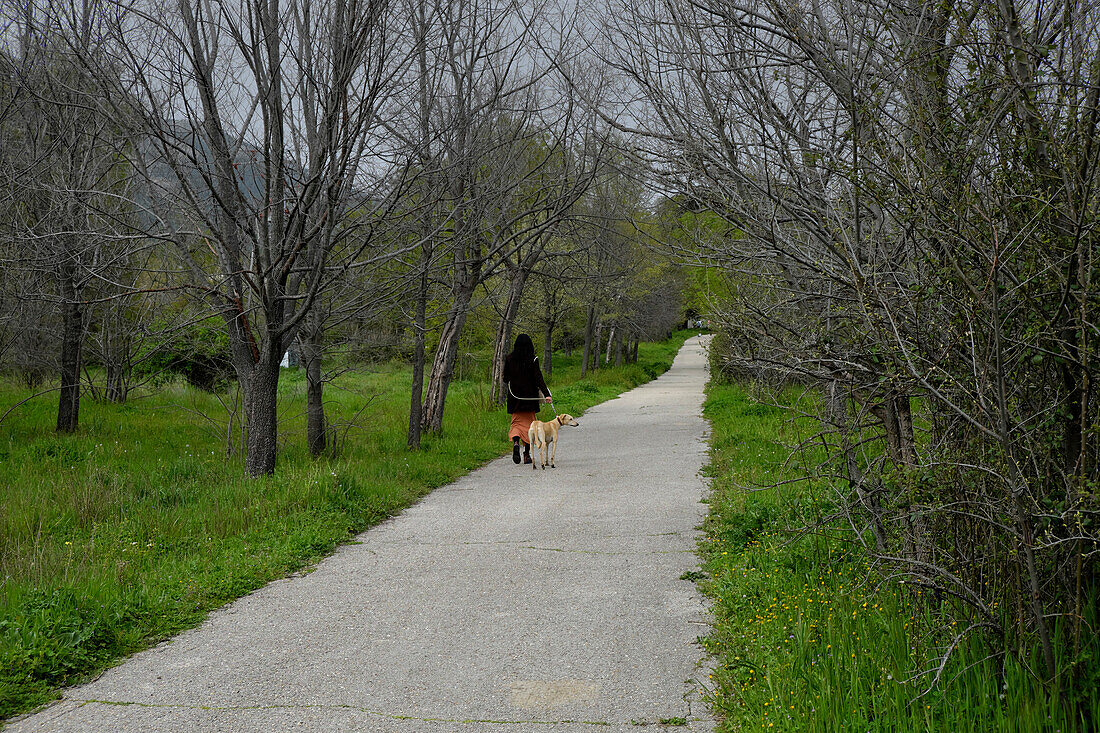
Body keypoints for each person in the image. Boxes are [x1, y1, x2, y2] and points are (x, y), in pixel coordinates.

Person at [502, 333, 552, 464]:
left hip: (515, 398)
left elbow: (505, 378)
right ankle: (526, 455)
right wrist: (547, 394)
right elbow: (538, 378)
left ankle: (516, 443)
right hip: (530, 398)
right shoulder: (533, 359)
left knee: (516, 424)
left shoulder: (509, 359)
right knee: (531, 426)